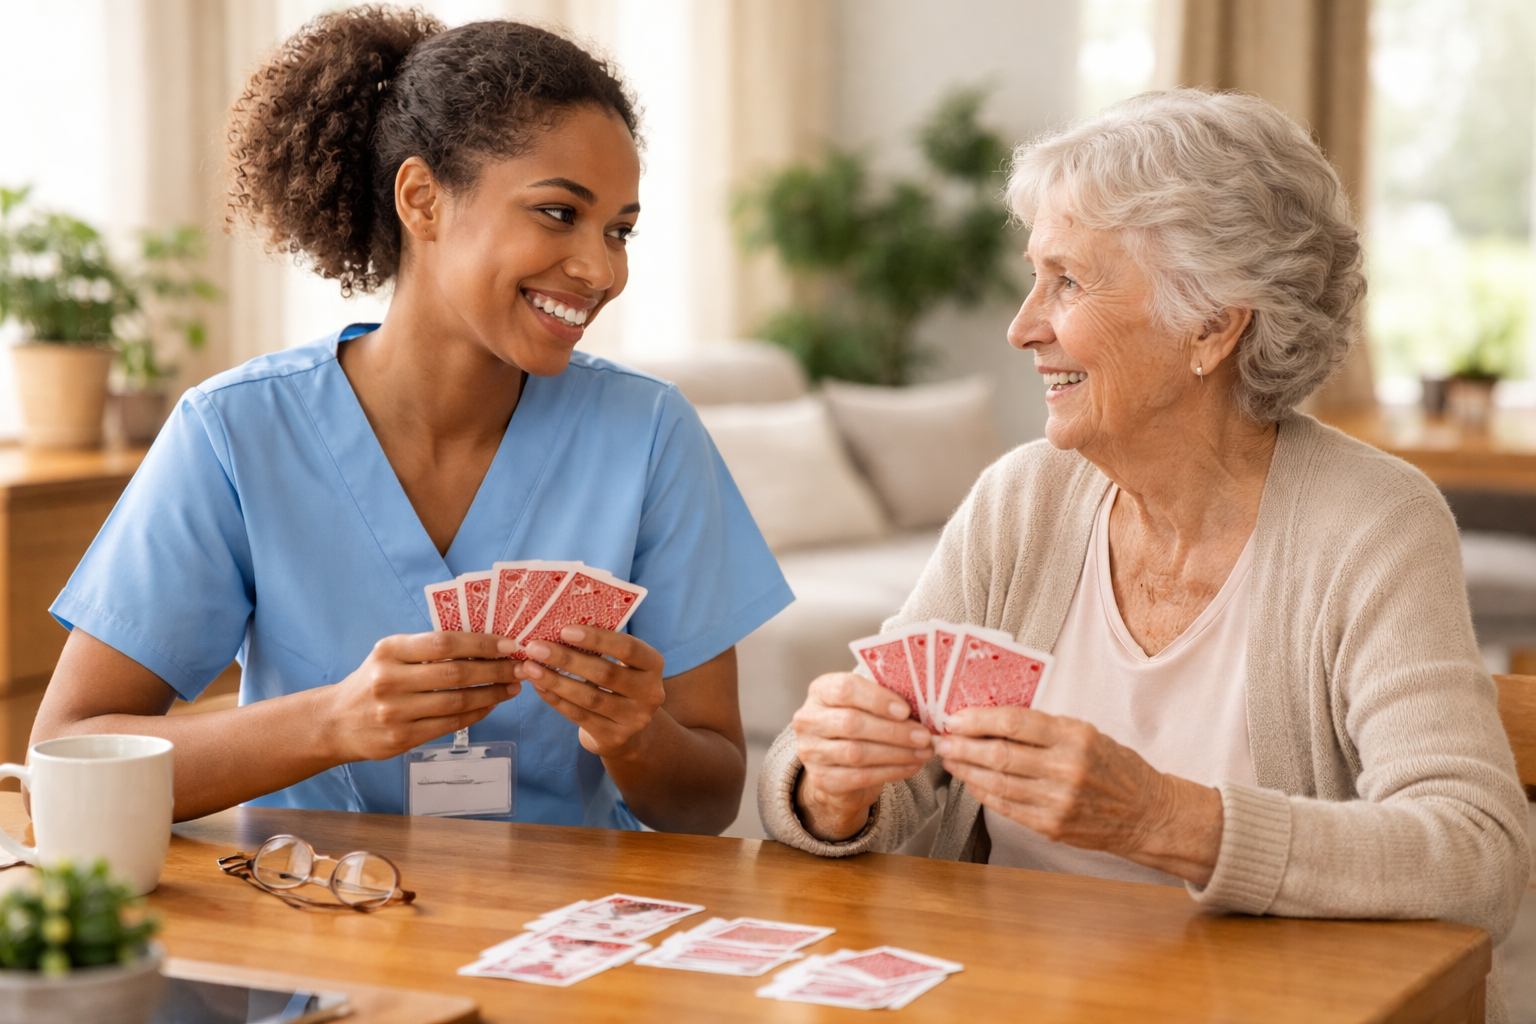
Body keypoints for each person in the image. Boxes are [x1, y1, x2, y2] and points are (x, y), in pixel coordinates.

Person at [759, 89, 1530, 1015]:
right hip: (1004, 992)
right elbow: (883, 779)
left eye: (1067, 282)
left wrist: (1165, 819)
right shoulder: (1023, 498)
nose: (1021, 326)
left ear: (1213, 324)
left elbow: (1475, 854)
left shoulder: (1372, 523)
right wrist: (832, 788)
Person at [33, 9, 792, 835]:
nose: (601, 269)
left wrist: (637, 737)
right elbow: (66, 757)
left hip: (562, 934)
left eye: (619, 230)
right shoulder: (235, 433)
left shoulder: (650, 435)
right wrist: (333, 722)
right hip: (315, 922)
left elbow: (709, 800)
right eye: (558, 213)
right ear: (422, 198)